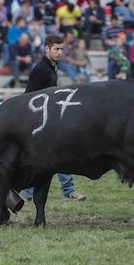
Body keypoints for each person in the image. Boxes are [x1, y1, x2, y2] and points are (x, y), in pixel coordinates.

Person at [21, 34, 87, 202]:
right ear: (47, 49)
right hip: (40, 123)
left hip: (49, 121)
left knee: (57, 155)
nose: (59, 52)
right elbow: (29, 97)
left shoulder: (52, 66)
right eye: (56, 49)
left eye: (61, 49)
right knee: (51, 156)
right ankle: (30, 192)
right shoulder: (39, 69)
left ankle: (65, 190)